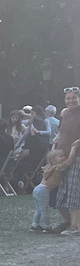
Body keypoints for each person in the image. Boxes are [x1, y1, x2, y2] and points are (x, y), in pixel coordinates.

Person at [32, 140, 80, 232]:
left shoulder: (49, 166)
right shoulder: (58, 168)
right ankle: (46, 226)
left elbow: (51, 155)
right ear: (54, 159)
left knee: (38, 209)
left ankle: (34, 225)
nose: (64, 157)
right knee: (44, 210)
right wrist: (73, 148)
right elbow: (69, 160)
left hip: (37, 189)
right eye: (61, 156)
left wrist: (54, 144)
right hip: (44, 190)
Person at [52, 87, 80, 234]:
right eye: (68, 98)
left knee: (73, 190)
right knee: (60, 189)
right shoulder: (65, 113)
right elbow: (61, 132)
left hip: (77, 156)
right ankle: (67, 222)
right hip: (62, 156)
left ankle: (74, 226)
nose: (71, 101)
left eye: (74, 97)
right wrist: (56, 141)